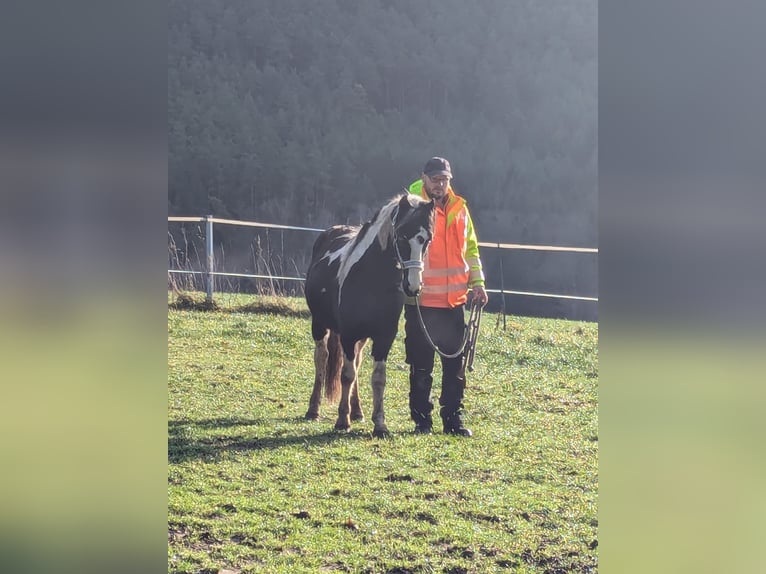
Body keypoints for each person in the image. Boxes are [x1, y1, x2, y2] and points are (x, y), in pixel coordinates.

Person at [404, 157, 488, 437]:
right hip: (422, 301)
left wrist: (478, 283)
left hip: (454, 302)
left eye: (445, 179)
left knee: (454, 367)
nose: (440, 184)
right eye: (435, 179)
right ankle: (422, 422)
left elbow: (471, 249)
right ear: (424, 178)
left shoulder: (460, 209)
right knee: (421, 365)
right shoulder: (412, 206)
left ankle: (453, 420)